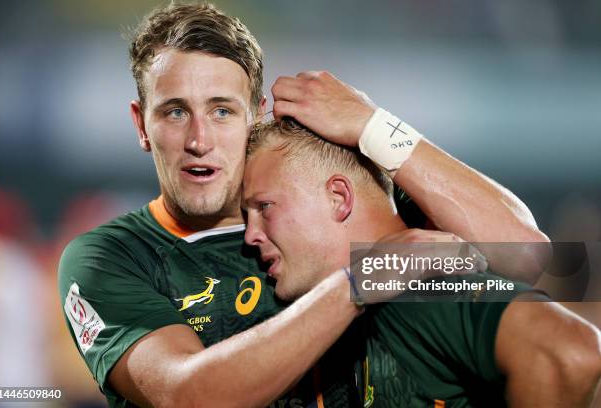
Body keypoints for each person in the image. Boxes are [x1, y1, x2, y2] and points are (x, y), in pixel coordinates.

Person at [58, 3, 550, 407]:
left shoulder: (336, 195)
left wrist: (373, 126)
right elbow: (189, 398)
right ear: (142, 125)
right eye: (175, 112)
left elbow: (528, 256)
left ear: (256, 116)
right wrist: (357, 283)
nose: (199, 140)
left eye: (222, 110)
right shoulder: (111, 258)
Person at [242, 119, 601, 407]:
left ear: (339, 197)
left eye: (265, 207)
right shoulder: (366, 303)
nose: (250, 235)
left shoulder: (420, 287)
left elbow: (570, 350)